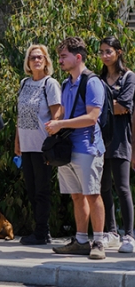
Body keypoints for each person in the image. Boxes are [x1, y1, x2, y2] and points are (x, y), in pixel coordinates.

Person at [48, 37, 107, 259]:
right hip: (67, 148)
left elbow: (92, 117)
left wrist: (60, 124)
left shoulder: (92, 82)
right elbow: (64, 111)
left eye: (64, 56)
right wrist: (55, 125)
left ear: (78, 57)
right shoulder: (65, 83)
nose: (60, 61)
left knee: (92, 194)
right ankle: (81, 240)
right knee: (76, 195)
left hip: (87, 147)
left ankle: (99, 242)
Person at [14, 44, 61, 245]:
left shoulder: (50, 84)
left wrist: (51, 144)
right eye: (33, 57)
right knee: (32, 190)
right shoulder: (25, 83)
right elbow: (20, 116)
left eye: (40, 57)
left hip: (42, 146)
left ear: (46, 61)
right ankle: (40, 229)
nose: (36, 60)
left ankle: (42, 232)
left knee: (42, 191)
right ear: (28, 61)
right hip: (26, 146)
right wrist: (17, 141)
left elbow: (57, 114)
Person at [97, 36, 135, 252]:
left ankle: (129, 235)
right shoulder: (100, 79)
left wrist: (101, 106)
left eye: (108, 51)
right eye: (102, 52)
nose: (104, 55)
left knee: (122, 187)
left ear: (118, 52)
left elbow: (124, 107)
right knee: (103, 188)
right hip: (100, 139)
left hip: (121, 137)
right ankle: (111, 231)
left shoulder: (129, 77)